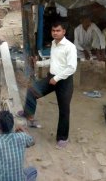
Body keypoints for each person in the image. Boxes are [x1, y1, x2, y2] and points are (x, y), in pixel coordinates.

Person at [19, 21, 77, 149]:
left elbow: (72, 68)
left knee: (64, 110)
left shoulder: (70, 47)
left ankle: (63, 138)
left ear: (64, 32)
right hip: (52, 78)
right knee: (32, 90)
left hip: (64, 81)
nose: (55, 33)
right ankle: (29, 115)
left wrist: (57, 78)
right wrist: (39, 64)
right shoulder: (53, 44)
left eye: (58, 31)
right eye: (53, 31)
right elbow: (53, 60)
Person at [0, 111, 37, 181]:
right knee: (33, 170)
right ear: (12, 125)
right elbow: (32, 142)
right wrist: (24, 130)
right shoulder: (22, 136)